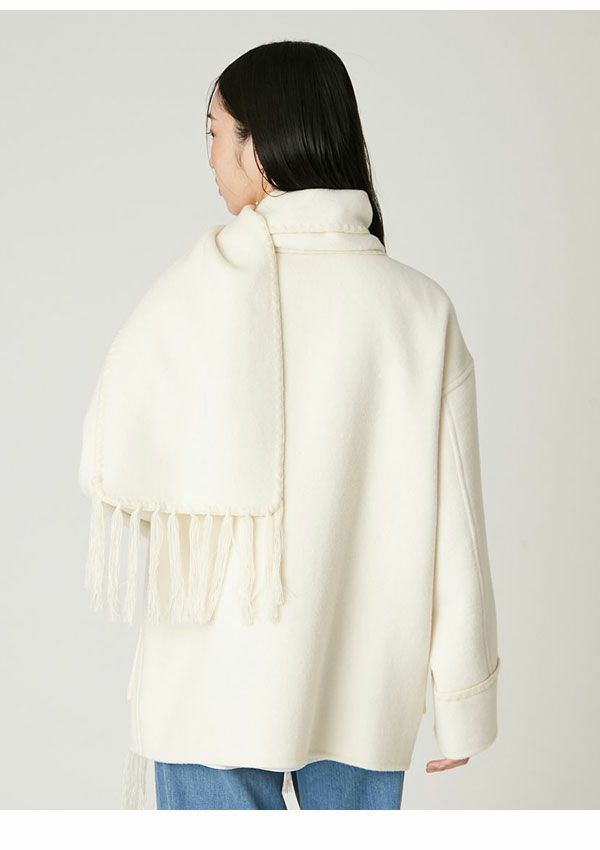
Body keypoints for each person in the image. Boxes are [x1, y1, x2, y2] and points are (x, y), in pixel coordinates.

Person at [79, 40, 500, 810]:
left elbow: (125, 459)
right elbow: (458, 526)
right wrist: (464, 698)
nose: (210, 157)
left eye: (215, 132)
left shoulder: (192, 294)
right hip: (362, 685)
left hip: (208, 685)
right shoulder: (417, 310)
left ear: (261, 146)